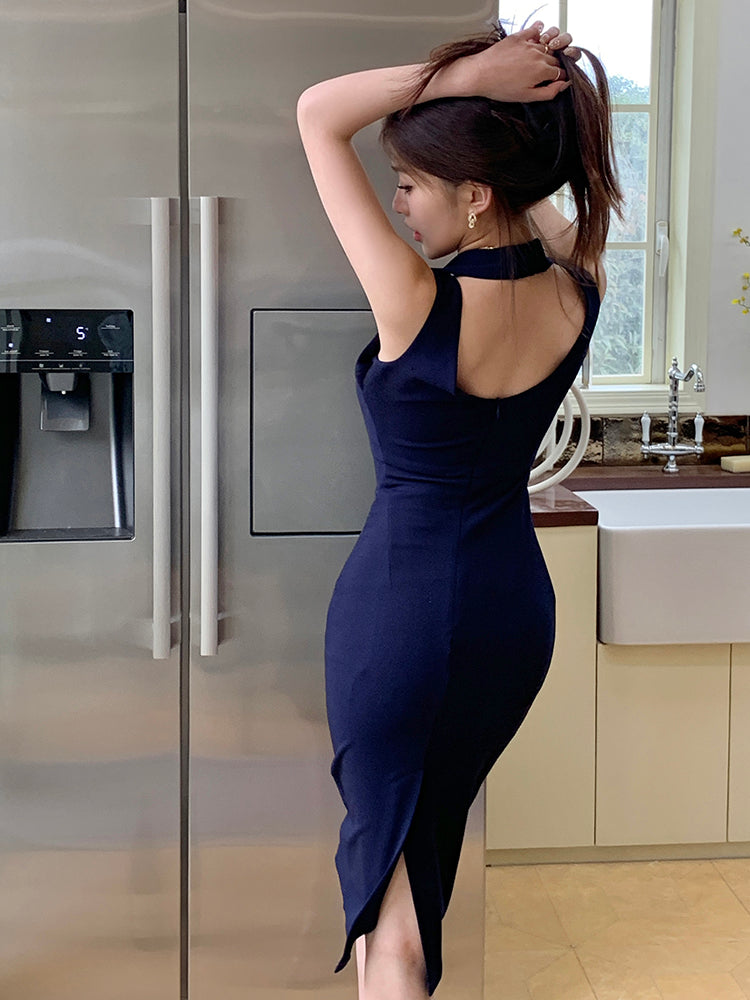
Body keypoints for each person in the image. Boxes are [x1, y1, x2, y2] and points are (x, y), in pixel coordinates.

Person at [297, 20, 622, 1000]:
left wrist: (467, 75)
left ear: (476, 193)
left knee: (391, 909)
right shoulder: (579, 286)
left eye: (410, 183)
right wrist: (526, 101)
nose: (398, 203)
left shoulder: (416, 303)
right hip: (509, 614)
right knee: (419, 852)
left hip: (400, 614)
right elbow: (538, 208)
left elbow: (317, 114)